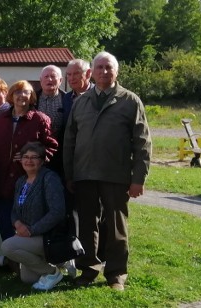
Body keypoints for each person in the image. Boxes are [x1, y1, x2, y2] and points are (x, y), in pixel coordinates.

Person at [64, 51, 152, 291]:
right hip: (84, 175)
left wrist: (138, 179)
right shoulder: (81, 101)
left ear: (116, 71)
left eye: (108, 67)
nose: (104, 71)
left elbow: (142, 142)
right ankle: (88, 269)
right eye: (100, 67)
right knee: (86, 225)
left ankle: (115, 274)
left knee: (115, 226)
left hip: (116, 175)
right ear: (91, 72)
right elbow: (70, 140)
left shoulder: (130, 100)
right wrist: (70, 174)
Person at [0, 80, 57, 243]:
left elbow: (51, 146)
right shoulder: (1, 119)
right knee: (4, 217)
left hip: (28, 180)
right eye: (17, 92)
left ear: (31, 96)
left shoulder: (40, 119)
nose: (21, 95)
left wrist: (32, 156)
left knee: (24, 220)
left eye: (26, 92)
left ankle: (24, 256)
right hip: (1, 178)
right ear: (11, 95)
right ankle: (8, 256)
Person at [2, 142, 66, 290]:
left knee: (7, 246)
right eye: (25, 157)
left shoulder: (50, 178)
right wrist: (17, 223)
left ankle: (52, 272)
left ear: (42, 161)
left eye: (34, 157)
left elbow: (57, 212)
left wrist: (32, 230)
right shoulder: (21, 181)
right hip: (26, 235)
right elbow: (14, 210)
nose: (29, 161)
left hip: (47, 236)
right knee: (28, 278)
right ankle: (55, 263)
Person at [36, 65, 66, 138]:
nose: (49, 79)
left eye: (53, 76)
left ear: (60, 80)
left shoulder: (68, 99)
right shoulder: (32, 99)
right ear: (41, 80)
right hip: (36, 145)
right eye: (46, 76)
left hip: (61, 145)